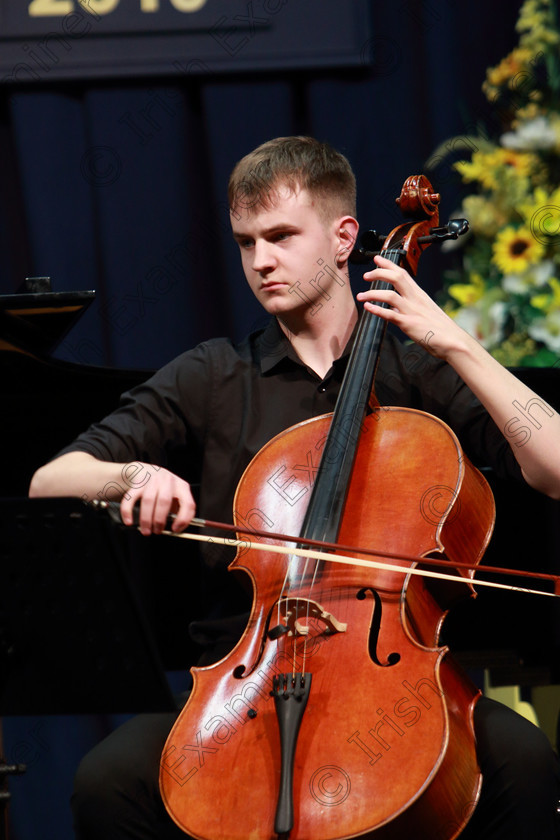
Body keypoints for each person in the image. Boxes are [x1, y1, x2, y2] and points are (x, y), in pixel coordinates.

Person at [30, 136, 560, 839]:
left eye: (281, 236)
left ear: (345, 238)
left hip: (395, 684)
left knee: (524, 760)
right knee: (106, 781)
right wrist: (132, 473)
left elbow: (552, 466)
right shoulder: (213, 374)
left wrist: (455, 342)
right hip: (245, 682)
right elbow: (49, 479)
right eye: (247, 242)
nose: (261, 262)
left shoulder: (417, 371)